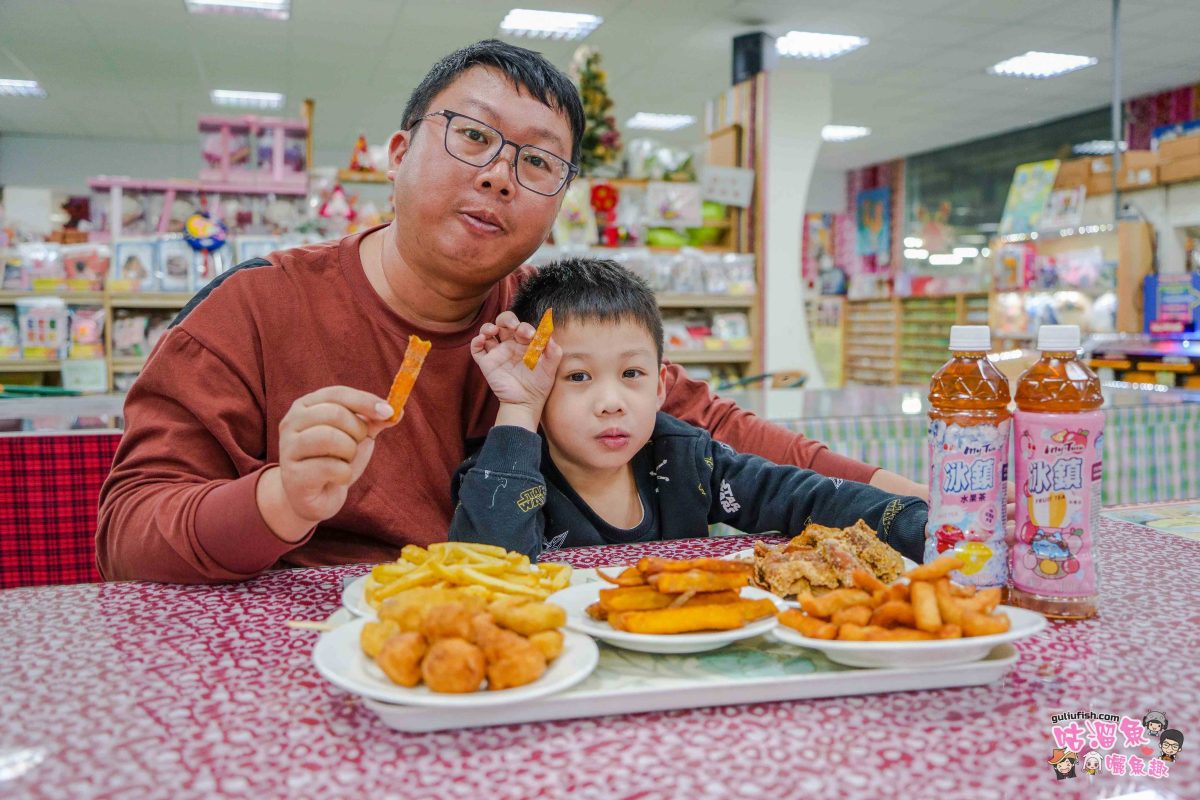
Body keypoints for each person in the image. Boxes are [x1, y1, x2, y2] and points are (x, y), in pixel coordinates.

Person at [96, 39, 923, 584]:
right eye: (472, 137)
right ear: (396, 153)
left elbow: (719, 430)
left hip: (535, 644)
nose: (499, 175)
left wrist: (923, 502)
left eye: (537, 163)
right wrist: (279, 499)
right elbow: (129, 536)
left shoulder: (548, 318)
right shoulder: (256, 310)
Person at [449, 258, 928, 561]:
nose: (612, 402)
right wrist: (518, 407)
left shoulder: (685, 458)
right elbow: (485, 570)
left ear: (661, 386)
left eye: (632, 375)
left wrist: (918, 523)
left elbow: (801, 496)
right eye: (578, 377)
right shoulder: (506, 474)